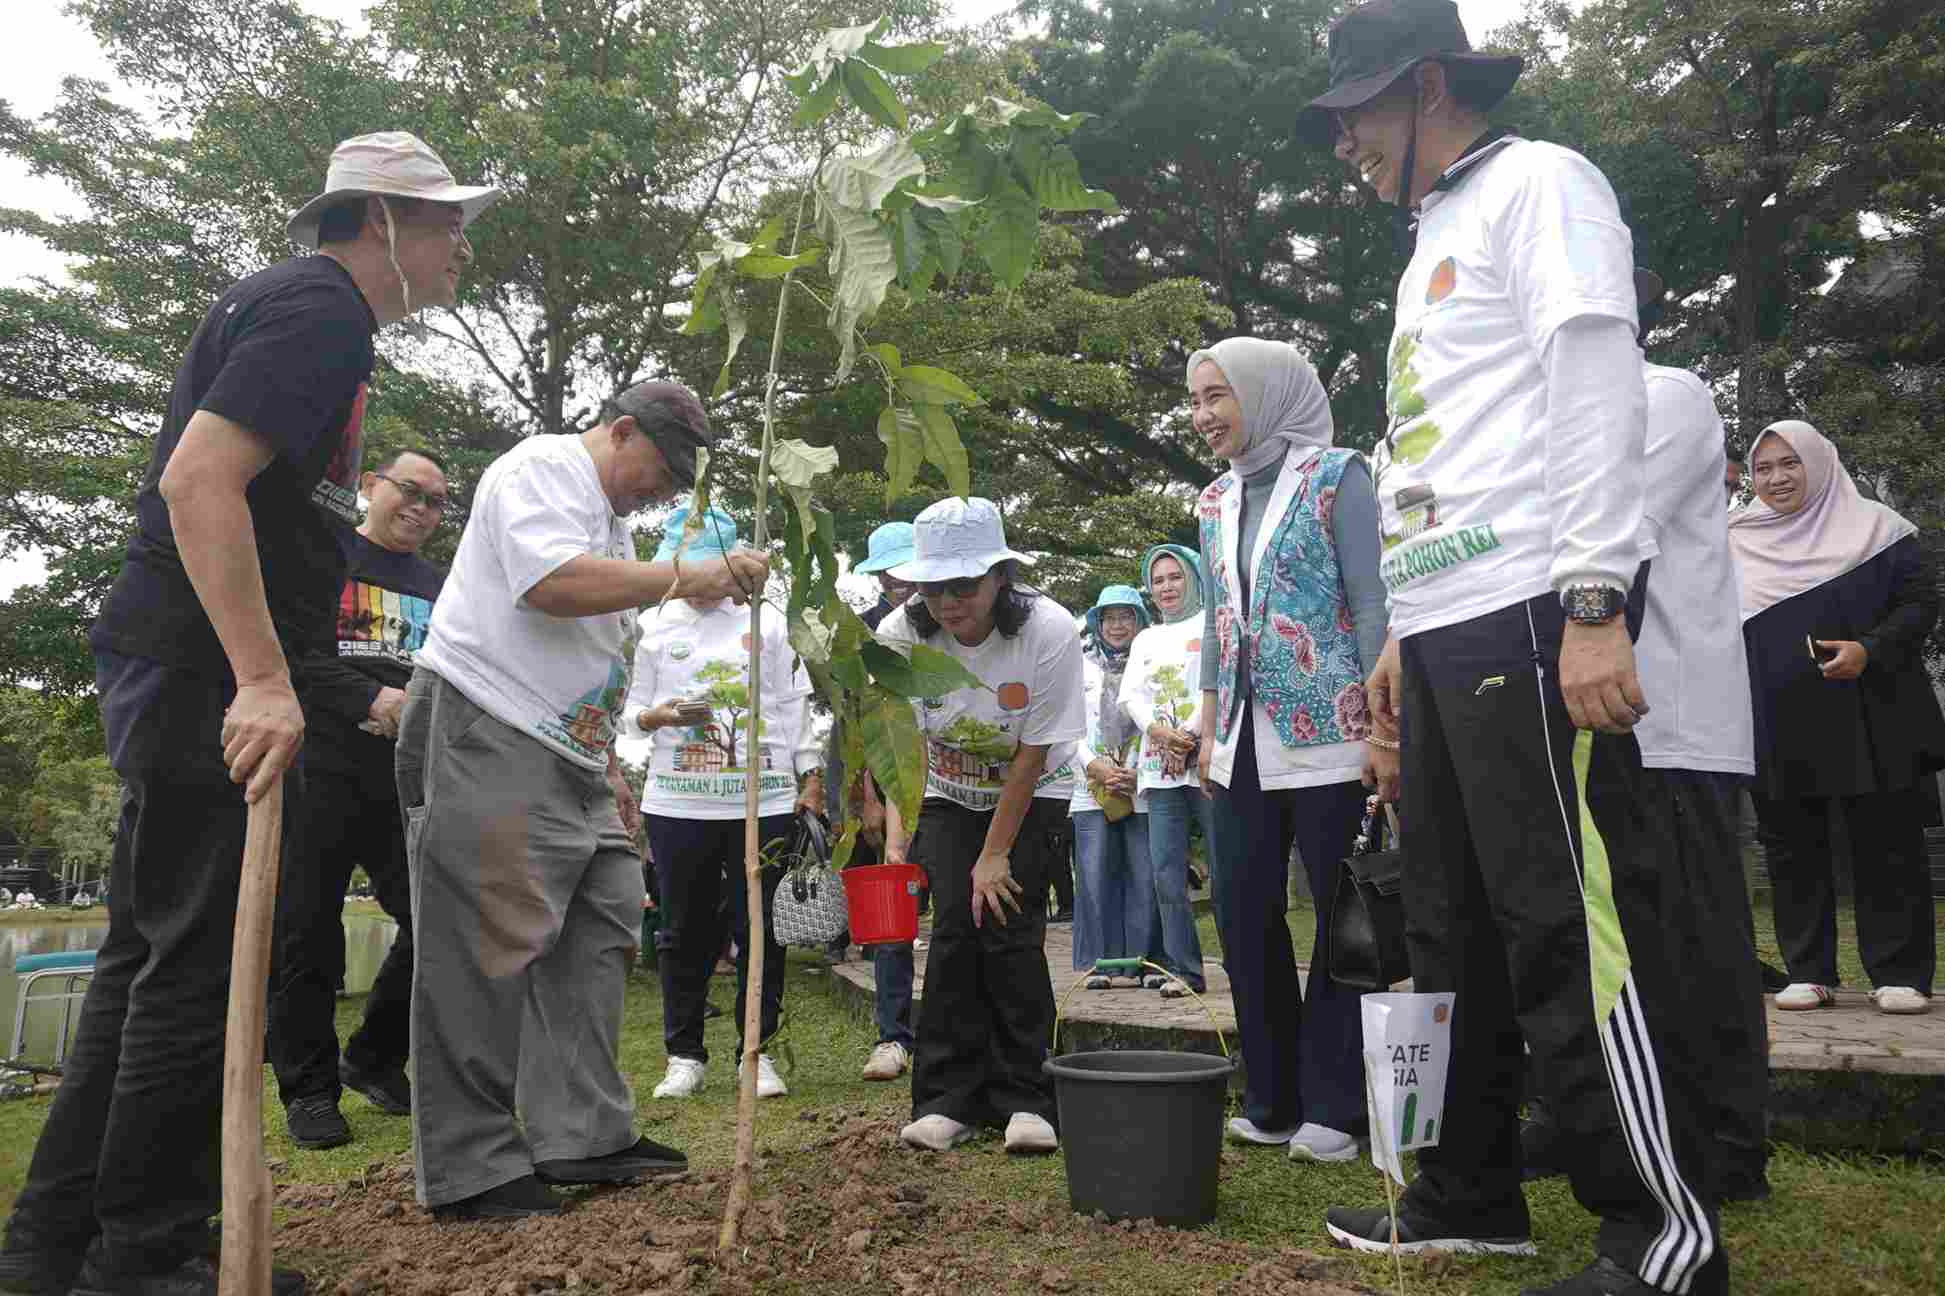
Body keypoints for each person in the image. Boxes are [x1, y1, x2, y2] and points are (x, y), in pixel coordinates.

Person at [0, 131, 495, 1296]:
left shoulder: (309, 314)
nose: (461, 248)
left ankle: (50, 1250)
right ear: (378, 222)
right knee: (195, 971)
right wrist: (264, 679)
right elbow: (195, 480)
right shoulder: (318, 312)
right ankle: (153, 1254)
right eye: (444, 223)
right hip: (198, 672)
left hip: (175, 662)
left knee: (140, 963)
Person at [1305, 4, 1725, 1292]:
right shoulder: (1434, 230)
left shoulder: (1541, 182)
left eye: (1361, 115)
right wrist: (1400, 631)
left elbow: (1595, 370)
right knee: (1448, 923)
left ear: (1432, 86)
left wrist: (1595, 596)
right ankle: (1466, 1186)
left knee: (1561, 917)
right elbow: (1447, 446)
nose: (1346, 148)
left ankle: (1662, 1232)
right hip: (1443, 621)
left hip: (1535, 605)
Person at [397, 380, 767, 1220]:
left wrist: (606, 765)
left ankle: (582, 1133)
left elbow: (586, 645)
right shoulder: (544, 467)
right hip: (485, 721)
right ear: (621, 429)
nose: (667, 490)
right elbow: (548, 586)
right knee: (482, 947)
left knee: (603, 918)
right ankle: (471, 1168)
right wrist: (688, 574)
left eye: (681, 479)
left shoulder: (613, 524)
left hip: (570, 753)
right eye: (662, 468)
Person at [1522, 271, 1772, 1204]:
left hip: (1668, 722)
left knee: (1690, 941)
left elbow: (1617, 536)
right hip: (1583, 719)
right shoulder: (1538, 425)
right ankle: (1590, 1116)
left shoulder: (1663, 396)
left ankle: (1723, 1145)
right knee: (1595, 936)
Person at [1188, 338, 1388, 1165]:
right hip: (1237, 741)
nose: (1202, 416)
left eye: (1216, 396)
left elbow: (1371, 599)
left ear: (1265, 394)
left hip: (1334, 736)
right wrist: (1204, 723)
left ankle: (1335, 1106)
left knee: (1344, 926)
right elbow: (1215, 620)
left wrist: (1386, 729)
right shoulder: (1209, 501)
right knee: (1242, 916)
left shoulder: (1338, 476)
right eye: (1195, 400)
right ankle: (1269, 1095)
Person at [879, 497, 1085, 1155]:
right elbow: (897, 743)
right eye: (933, 586)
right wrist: (897, 836)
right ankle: (946, 1098)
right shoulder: (900, 636)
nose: (947, 602)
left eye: (962, 586)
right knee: (953, 931)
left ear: (1000, 575)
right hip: (946, 793)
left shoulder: (1047, 631)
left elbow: (1034, 751)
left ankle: (1028, 1098)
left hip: (1033, 791)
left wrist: (994, 855)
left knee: (1008, 926)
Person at [269, 448, 449, 1152]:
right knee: (307, 932)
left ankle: (373, 1055)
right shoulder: (323, 557)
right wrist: (368, 697)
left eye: (436, 502)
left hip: (406, 778)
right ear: (371, 485)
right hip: (319, 766)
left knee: (435, 919)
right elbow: (286, 652)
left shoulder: (441, 585)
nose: (422, 509)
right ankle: (309, 1091)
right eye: (410, 490)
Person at [1730, 419, 1941, 1017]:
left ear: (1819, 463)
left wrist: (1868, 649)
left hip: (1872, 711)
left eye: (1789, 464)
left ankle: (1900, 973)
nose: (1775, 478)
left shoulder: (1879, 529)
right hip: (1776, 716)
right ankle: (1810, 970)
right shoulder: (1733, 537)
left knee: (1887, 842)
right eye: (1764, 467)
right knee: (1791, 842)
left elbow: (1922, 602)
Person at [630, 505, 823, 1102]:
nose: (714, 580)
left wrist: (808, 776)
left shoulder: (767, 623)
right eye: (697, 567)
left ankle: (755, 1052)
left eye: (723, 567)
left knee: (760, 926)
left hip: (760, 798)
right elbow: (629, 712)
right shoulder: (650, 625)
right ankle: (683, 1053)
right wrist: (656, 717)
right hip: (678, 801)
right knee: (682, 928)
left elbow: (793, 705)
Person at [830, 521, 922, 1082]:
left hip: (951, 791)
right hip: (887, 791)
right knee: (890, 921)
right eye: (888, 572)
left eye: (906, 569)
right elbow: (857, 726)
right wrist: (867, 796)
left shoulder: (958, 625)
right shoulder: (869, 637)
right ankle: (893, 1037)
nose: (899, 582)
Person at [1120, 544, 1210, 997]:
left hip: (1208, 764)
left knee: (1229, 868)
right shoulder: (1145, 638)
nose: (1167, 587)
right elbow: (1131, 696)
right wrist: (1159, 733)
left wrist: (1188, 736)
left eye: (1175, 576)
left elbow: (1219, 685)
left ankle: (1250, 966)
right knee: (1166, 872)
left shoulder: (1213, 624)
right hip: (1159, 770)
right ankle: (1184, 969)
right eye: (1158, 580)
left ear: (1193, 576)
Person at [1070, 586, 1153, 989]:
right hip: (1089, 787)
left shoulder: (1151, 661)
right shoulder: (1079, 666)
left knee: (1143, 873)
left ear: (1140, 621)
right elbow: (1064, 728)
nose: (1117, 626)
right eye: (1109, 618)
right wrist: (1095, 766)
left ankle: (1144, 961)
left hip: (1140, 783)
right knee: (1094, 874)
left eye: (1126, 616)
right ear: (1097, 624)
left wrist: (1134, 769)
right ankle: (1099, 964)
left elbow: (1155, 719)